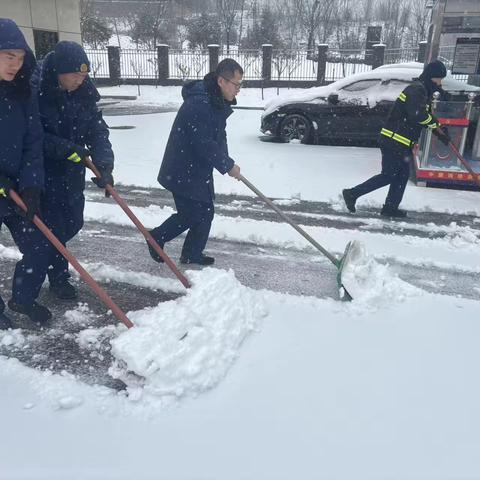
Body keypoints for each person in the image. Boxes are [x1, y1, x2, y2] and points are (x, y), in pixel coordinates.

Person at [33, 41, 115, 299]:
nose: (81, 80)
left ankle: (47, 262)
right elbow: (32, 137)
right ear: (59, 71)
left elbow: (97, 129)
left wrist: (104, 164)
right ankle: (56, 279)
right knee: (53, 229)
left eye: (84, 75)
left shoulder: (84, 93)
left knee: (72, 222)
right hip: (43, 173)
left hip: (72, 171)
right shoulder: (36, 92)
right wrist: (65, 148)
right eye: (75, 75)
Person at [148, 58, 242, 265]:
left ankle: (191, 254)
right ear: (221, 81)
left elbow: (219, 136)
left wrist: (227, 163)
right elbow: (203, 143)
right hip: (182, 168)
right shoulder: (199, 103)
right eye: (236, 84)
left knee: (206, 211)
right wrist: (227, 165)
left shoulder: (216, 101)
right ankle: (156, 238)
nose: (238, 90)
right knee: (192, 213)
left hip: (197, 168)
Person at [342, 60, 451, 218]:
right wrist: (435, 124)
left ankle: (390, 207)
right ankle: (352, 194)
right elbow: (418, 115)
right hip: (394, 141)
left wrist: (438, 131)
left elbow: (421, 116)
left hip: (401, 142)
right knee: (389, 175)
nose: (440, 83)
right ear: (431, 77)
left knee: (401, 176)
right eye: (439, 79)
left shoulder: (422, 90)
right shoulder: (417, 90)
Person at [0, 18, 52, 327]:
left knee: (40, 246)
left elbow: (34, 141)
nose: (16, 65)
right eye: (9, 56)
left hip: (17, 188)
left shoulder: (23, 91)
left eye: (20, 58)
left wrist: (32, 184)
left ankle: (22, 298)